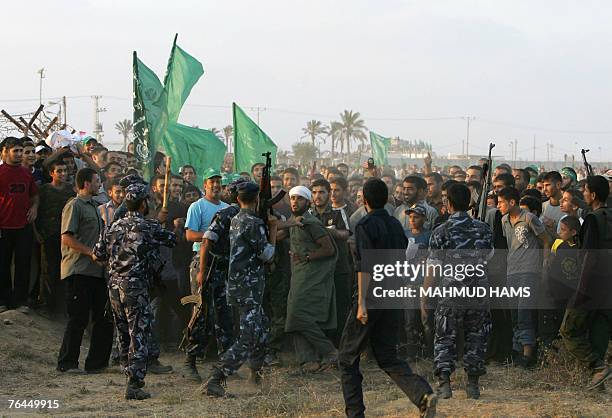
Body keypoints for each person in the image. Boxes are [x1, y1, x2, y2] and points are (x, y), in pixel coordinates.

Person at [338, 178, 436, 418]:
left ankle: (355, 413)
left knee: (347, 358)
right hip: (391, 295)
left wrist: (361, 302)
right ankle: (422, 394)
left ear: (365, 199)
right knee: (388, 356)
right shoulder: (395, 224)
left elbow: (365, 266)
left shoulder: (364, 225)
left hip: (370, 297)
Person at [93, 183, 176, 399]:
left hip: (113, 286)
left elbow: (98, 254)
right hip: (135, 287)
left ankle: (126, 373)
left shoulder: (113, 226)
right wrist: (163, 224)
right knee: (138, 331)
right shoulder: (147, 226)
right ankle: (135, 383)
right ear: (143, 203)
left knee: (122, 332)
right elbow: (172, 240)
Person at [205, 181, 277, 397]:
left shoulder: (236, 219)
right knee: (248, 336)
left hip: (240, 285)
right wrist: (272, 228)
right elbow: (268, 254)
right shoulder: (253, 223)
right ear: (256, 200)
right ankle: (217, 378)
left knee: (261, 326)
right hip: (249, 287)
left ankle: (257, 374)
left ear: (238, 199)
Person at [422, 183, 493, 399]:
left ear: (449, 203)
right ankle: (473, 384)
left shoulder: (441, 231)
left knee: (445, 336)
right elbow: (488, 258)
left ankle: (444, 384)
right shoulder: (484, 229)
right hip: (478, 291)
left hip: (451, 292)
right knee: (477, 336)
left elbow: (433, 268)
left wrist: (425, 297)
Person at [181, 179, 245, 382]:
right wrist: (202, 270)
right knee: (200, 313)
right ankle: (190, 361)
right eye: (212, 182)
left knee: (225, 316)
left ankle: (225, 365)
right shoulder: (207, 209)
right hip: (206, 266)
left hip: (224, 268)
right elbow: (203, 241)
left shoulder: (234, 211)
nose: (217, 187)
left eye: (220, 183)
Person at [56, 167, 113, 373]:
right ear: (86, 183)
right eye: (97, 181)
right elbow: (67, 238)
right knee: (78, 318)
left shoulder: (99, 207)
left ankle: (97, 364)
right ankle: (67, 363)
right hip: (79, 270)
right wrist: (91, 253)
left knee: (104, 318)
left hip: (98, 273)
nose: (100, 184)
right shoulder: (75, 205)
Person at [560, 175, 612, 390]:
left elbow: (589, 256)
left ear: (594, 194)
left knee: (568, 330)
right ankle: (598, 382)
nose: (583, 193)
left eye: (586, 190)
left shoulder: (593, 219)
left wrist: (581, 289)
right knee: (598, 333)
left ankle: (597, 368)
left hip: (591, 285)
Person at [285, 185, 338, 372]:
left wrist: (308, 257)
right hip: (299, 275)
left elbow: (329, 249)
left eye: (299, 199)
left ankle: (331, 353)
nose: (295, 202)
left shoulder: (311, 223)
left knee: (298, 315)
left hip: (311, 276)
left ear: (307, 202)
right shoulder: (294, 221)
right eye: (292, 198)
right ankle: (308, 360)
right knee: (294, 317)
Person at [497, 186, 551, 368]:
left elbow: (546, 241)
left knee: (524, 312)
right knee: (514, 313)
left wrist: (544, 265)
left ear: (512, 202)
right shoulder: (504, 220)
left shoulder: (529, 218)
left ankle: (528, 353)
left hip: (529, 271)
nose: (498, 206)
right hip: (512, 271)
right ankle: (517, 350)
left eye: (501, 202)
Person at [310, 179, 352, 347]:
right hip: (317, 270)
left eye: (321, 192)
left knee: (340, 308)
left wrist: (330, 232)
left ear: (328, 194)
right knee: (320, 308)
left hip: (338, 268)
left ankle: (341, 347)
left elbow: (346, 234)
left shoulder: (337, 213)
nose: (317, 196)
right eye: (314, 192)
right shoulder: (309, 216)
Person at [0, 137, 39, 313]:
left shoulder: (26, 173)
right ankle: (3, 300)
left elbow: (34, 196)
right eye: (15, 151)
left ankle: (20, 301)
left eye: (20, 151)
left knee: (23, 265)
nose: (18, 154)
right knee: (3, 265)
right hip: (3, 226)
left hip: (23, 226)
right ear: (4, 152)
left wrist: (35, 208)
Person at [36, 159, 75, 315]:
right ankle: (49, 305)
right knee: (49, 270)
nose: (63, 174)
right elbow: (37, 212)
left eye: (65, 171)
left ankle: (61, 306)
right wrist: (37, 233)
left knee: (64, 271)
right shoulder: (44, 190)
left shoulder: (70, 192)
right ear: (51, 173)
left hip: (65, 237)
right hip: (48, 236)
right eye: (59, 171)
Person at [540, 215, 581, 348]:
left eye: (563, 230)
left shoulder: (579, 247)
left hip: (572, 291)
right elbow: (550, 264)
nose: (559, 232)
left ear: (573, 232)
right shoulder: (558, 243)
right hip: (556, 289)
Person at [541, 171, 565, 238]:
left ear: (558, 185)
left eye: (548, 185)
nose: (544, 189)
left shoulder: (569, 207)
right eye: (543, 186)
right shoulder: (543, 206)